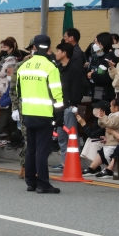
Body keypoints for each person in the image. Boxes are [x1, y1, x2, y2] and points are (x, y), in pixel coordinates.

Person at [16, 35, 64, 194]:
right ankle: (43, 183)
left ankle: (30, 182)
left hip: (28, 113)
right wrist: (59, 115)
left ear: (34, 47)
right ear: (49, 48)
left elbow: (19, 91)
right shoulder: (50, 67)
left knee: (31, 148)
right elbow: (57, 94)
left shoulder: (23, 66)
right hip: (45, 114)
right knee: (42, 150)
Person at [52, 42, 83, 170]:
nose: (56, 53)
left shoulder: (75, 68)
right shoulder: (57, 68)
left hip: (70, 106)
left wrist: (73, 104)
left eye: (58, 51)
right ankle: (65, 161)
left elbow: (77, 88)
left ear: (64, 53)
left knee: (72, 135)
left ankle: (74, 162)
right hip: (58, 106)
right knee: (61, 135)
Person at [87, 33, 117, 102]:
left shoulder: (108, 58)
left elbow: (105, 77)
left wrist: (92, 74)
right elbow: (90, 68)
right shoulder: (95, 56)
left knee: (99, 108)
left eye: (97, 42)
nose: (94, 45)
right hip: (93, 88)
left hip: (103, 91)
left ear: (103, 44)